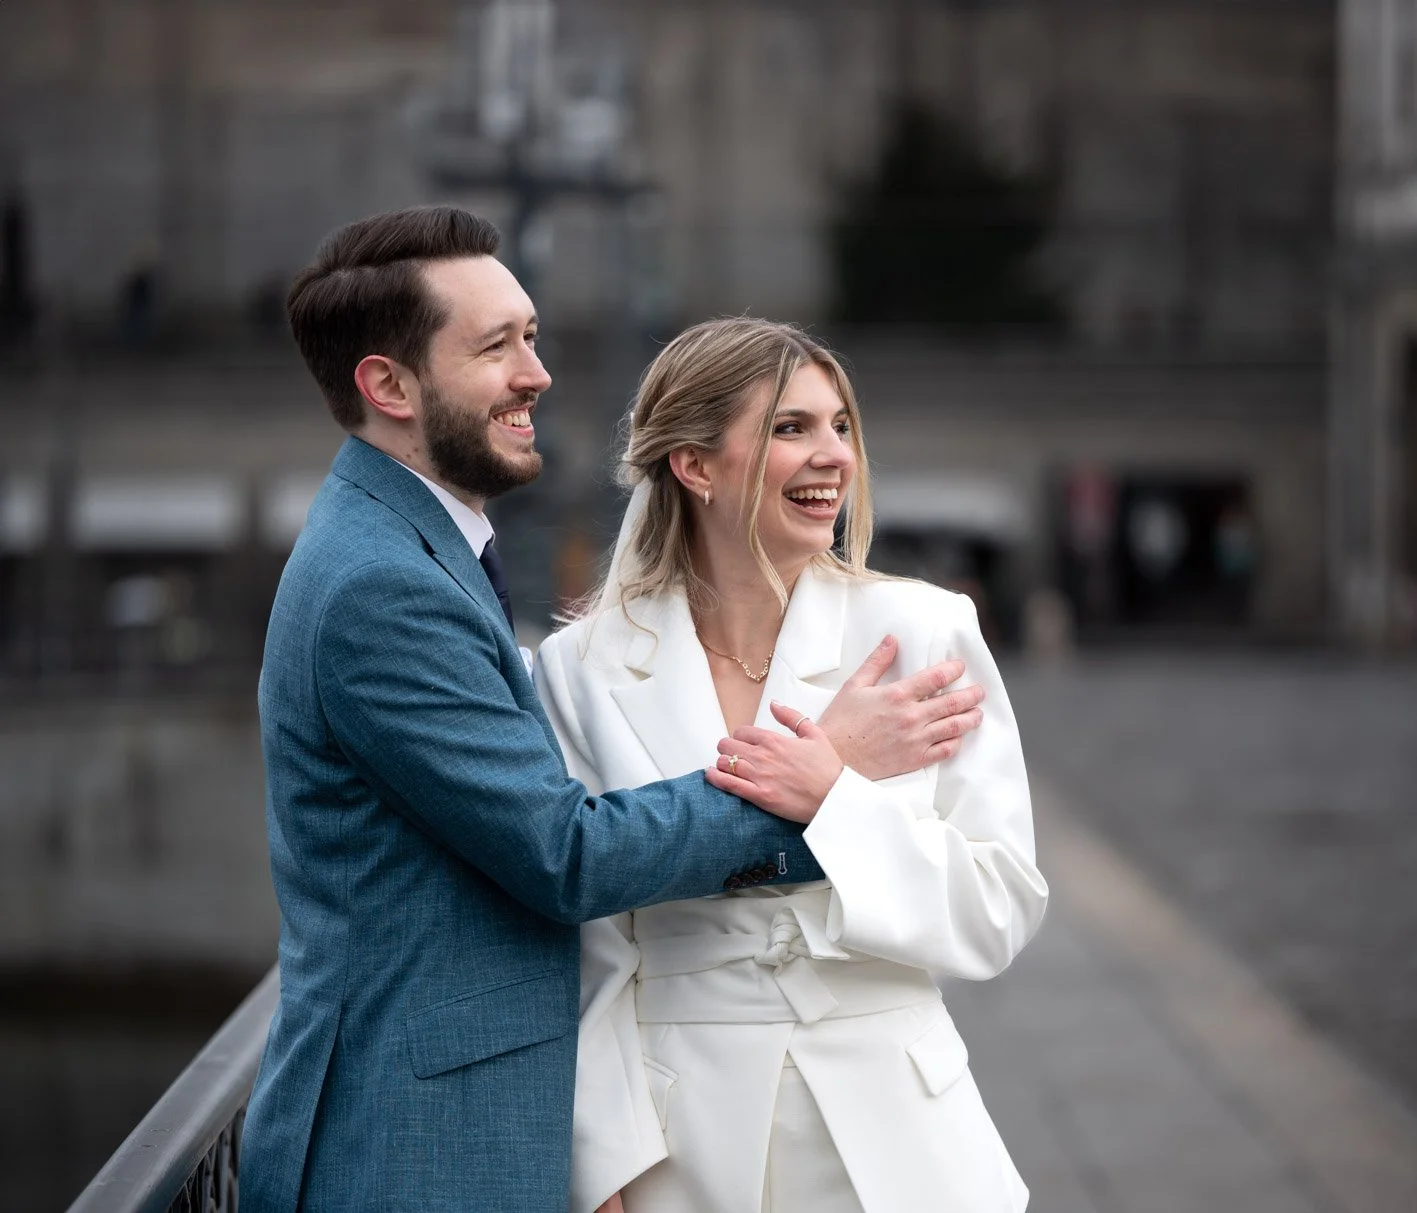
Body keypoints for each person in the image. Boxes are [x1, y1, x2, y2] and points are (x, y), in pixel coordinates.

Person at [239, 207, 985, 1213]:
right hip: (414, 1145)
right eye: (496, 348)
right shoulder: (384, 583)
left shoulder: (406, 545)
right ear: (389, 386)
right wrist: (819, 779)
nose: (537, 374)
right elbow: (565, 856)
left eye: (531, 337)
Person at [537, 318, 1051, 1213]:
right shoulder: (579, 668)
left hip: (900, 1141)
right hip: (679, 1149)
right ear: (694, 465)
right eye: (791, 427)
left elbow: (999, 904)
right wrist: (601, 1160)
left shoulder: (926, 632)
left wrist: (835, 802)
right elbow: (584, 949)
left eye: (841, 425)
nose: (834, 455)